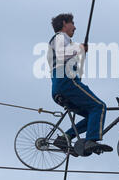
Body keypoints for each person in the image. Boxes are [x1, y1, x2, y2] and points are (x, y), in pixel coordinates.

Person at [47, 13, 112, 155]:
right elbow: (61, 54)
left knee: (92, 115)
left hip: (60, 86)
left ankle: (65, 138)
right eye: (72, 23)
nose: (75, 27)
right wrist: (80, 48)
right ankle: (91, 141)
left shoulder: (64, 42)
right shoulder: (60, 37)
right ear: (64, 23)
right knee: (99, 106)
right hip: (66, 82)